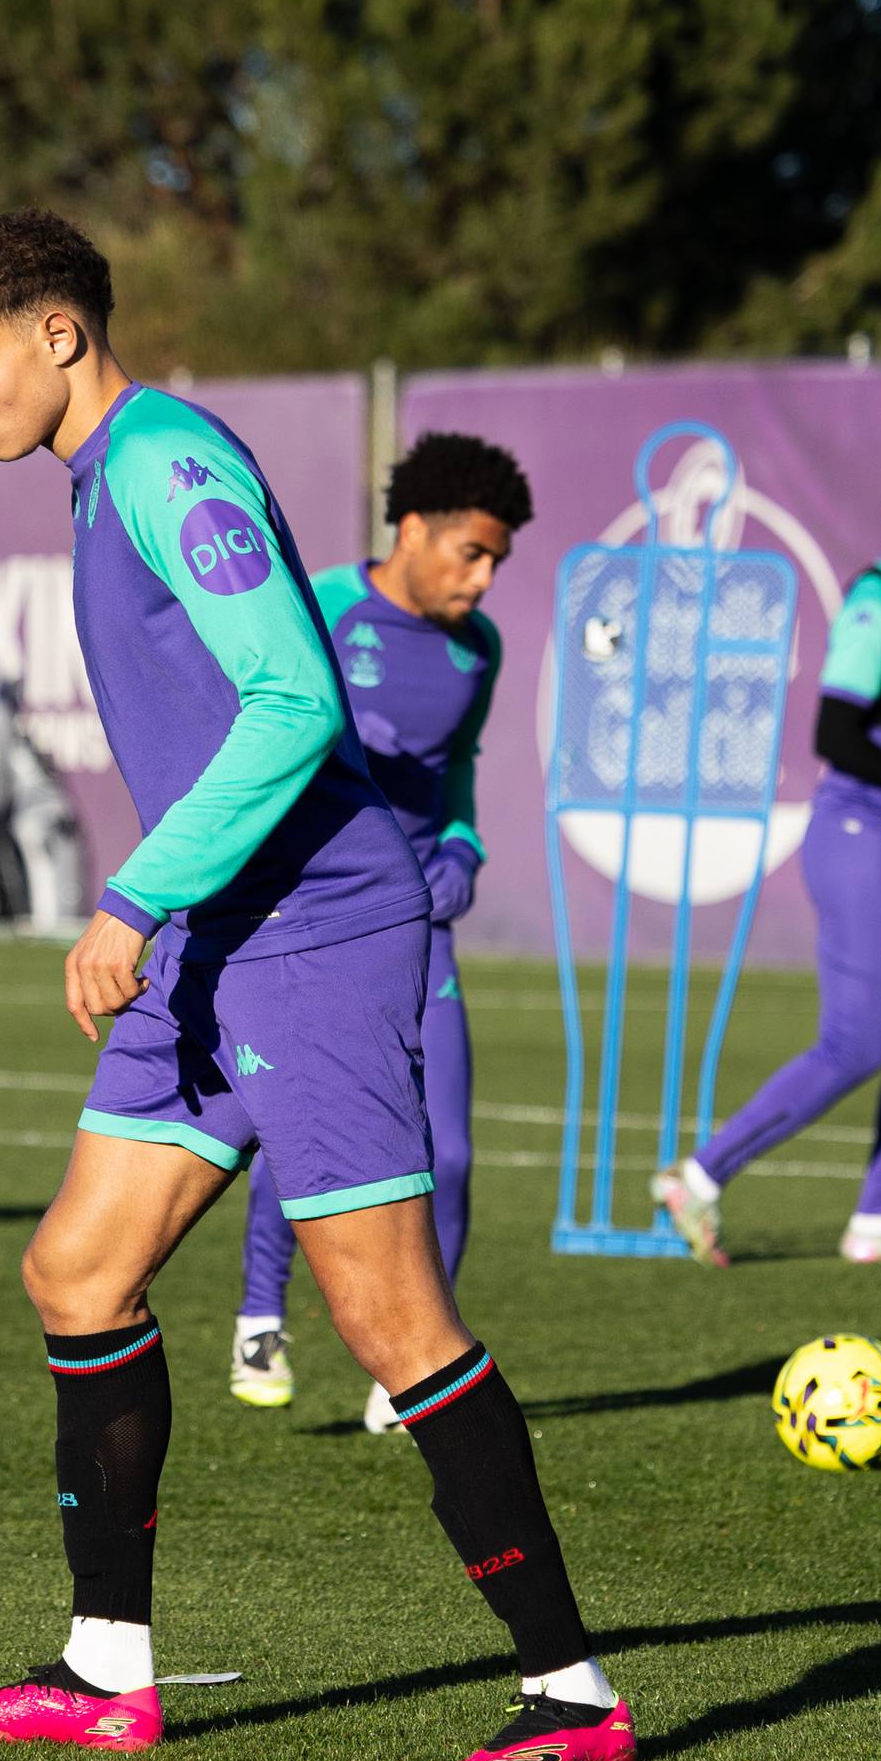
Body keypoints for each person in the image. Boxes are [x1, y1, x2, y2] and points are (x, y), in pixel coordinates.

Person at [0, 211, 632, 1761]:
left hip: (303, 933)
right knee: (76, 1274)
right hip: (214, 936)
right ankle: (106, 1672)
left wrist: (132, 896)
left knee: (384, 1318)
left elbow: (297, 700)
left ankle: (571, 1692)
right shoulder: (101, 477)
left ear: (56, 335)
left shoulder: (165, 464)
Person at [654, 443, 881, 1267]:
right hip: (860, 840)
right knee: (855, 1043)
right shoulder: (877, 605)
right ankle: (699, 1177)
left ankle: (875, 1222)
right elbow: (835, 734)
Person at [231, 434, 528, 1433]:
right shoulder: (316, 607)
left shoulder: (474, 649)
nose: (481, 580)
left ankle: (409, 1367)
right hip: (309, 907)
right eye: (469, 555)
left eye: (495, 562)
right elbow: (248, 737)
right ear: (410, 530)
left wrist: (463, 845)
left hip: (415, 922)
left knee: (444, 1155)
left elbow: (457, 776)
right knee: (303, 1128)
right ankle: (260, 1314)